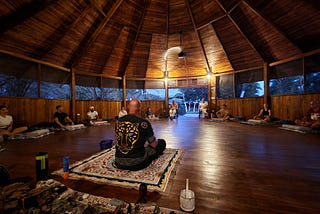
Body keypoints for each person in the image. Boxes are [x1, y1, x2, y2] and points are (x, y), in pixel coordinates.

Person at [114, 98, 166, 171]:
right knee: (162, 143)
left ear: (128, 107)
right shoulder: (143, 123)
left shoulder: (118, 121)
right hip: (138, 162)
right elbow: (154, 144)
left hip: (118, 161)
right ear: (139, 108)